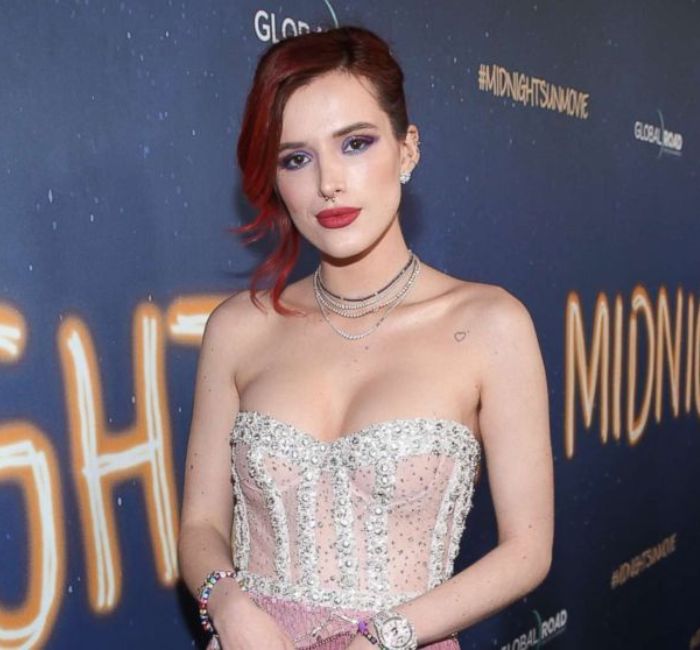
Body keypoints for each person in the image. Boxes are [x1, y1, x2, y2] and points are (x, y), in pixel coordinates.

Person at [177, 25, 553, 650]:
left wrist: (387, 635)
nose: (328, 182)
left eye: (355, 143)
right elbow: (199, 526)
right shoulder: (238, 328)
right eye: (296, 158)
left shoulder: (490, 325)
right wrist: (229, 603)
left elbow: (528, 549)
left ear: (408, 150)